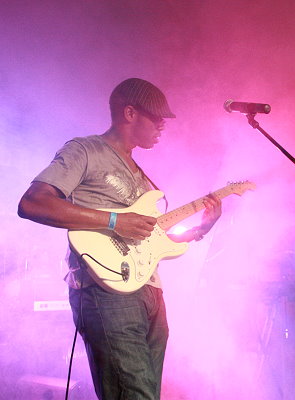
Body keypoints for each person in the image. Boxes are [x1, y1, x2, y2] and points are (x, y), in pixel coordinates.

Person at [17, 78, 222, 399]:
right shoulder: (85, 150)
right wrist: (114, 220)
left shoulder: (141, 174)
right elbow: (33, 203)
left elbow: (147, 238)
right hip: (106, 291)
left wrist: (202, 229)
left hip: (149, 292)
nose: (162, 125)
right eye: (156, 118)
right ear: (129, 113)